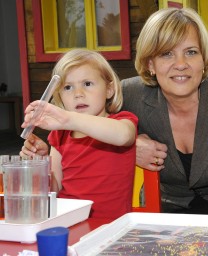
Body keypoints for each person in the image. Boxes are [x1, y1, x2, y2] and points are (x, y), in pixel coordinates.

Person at [21, 8, 208, 214]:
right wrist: (130, 146)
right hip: (160, 212)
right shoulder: (128, 95)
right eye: (167, 53)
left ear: (204, 60)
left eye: (191, 52)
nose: (181, 64)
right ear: (150, 64)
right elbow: (94, 126)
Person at [21, 49, 138, 220]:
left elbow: (123, 136)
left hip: (109, 227)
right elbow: (53, 188)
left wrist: (68, 119)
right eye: (68, 87)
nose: (78, 94)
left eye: (87, 84)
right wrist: (40, 165)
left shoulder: (122, 121)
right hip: (67, 222)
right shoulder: (60, 136)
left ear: (109, 89)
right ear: (60, 96)